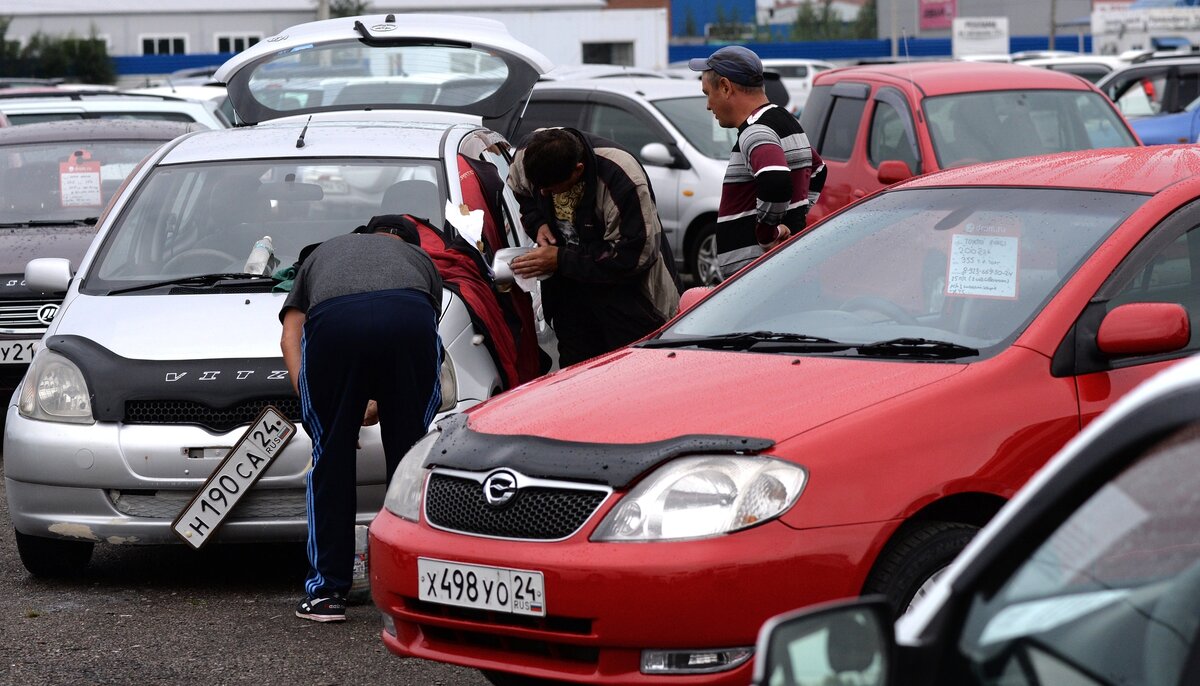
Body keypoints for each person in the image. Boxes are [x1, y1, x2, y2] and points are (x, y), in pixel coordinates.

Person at [279, 214, 443, 623]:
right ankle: (419, 590)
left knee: (330, 461)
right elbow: (420, 337)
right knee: (411, 459)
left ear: (366, 236)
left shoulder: (323, 252)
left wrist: (329, 415)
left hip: (337, 322)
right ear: (408, 242)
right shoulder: (418, 260)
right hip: (409, 316)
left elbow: (290, 337)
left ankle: (326, 593)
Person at [507, 127, 679, 367]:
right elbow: (520, 190)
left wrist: (560, 259)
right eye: (540, 188)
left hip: (630, 302)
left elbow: (634, 257)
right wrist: (538, 223)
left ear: (578, 171)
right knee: (577, 376)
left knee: (629, 377)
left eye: (552, 188)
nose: (544, 194)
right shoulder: (527, 157)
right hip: (569, 296)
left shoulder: (622, 178)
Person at [690, 45, 826, 278]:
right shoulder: (786, 120)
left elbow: (775, 181)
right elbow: (819, 171)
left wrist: (767, 234)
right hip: (780, 270)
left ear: (725, 87)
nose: (708, 105)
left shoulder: (755, 131)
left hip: (758, 278)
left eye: (707, 93)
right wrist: (794, 221)